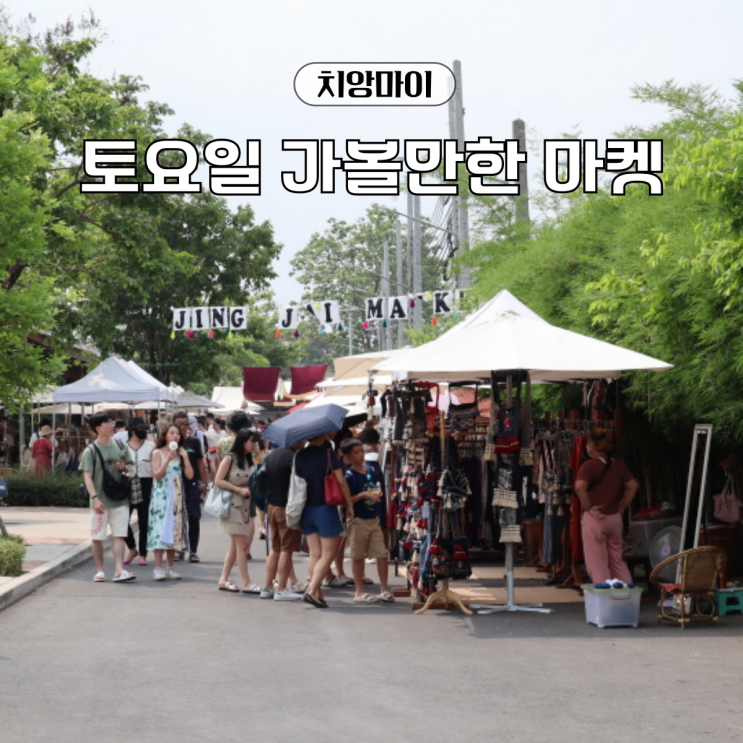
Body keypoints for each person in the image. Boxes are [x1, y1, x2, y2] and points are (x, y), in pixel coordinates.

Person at [295, 431, 354, 608]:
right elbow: (341, 481)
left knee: (315, 554)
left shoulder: (299, 455)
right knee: (328, 554)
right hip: (325, 508)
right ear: (321, 434)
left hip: (305, 508)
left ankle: (318, 595)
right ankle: (312, 590)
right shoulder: (328, 454)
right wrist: (349, 504)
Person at [574, 428, 639, 585]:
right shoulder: (619, 465)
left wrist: (589, 507)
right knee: (617, 559)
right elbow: (633, 486)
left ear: (591, 444)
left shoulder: (588, 466)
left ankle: (604, 593)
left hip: (595, 518)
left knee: (597, 560)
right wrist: (621, 507)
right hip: (614, 518)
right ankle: (626, 590)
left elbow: (580, 487)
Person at [80, 413, 135, 583]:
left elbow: (132, 469)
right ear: (98, 428)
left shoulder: (121, 445)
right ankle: (100, 570)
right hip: (100, 501)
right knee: (97, 537)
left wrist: (124, 467)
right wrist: (95, 498)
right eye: (108, 423)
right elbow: (87, 476)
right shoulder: (90, 451)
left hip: (120, 499)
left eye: (112, 422)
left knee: (119, 535)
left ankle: (119, 570)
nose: (113, 425)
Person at [342, 438, 394, 603]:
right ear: (348, 456)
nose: (360, 455)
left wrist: (377, 493)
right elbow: (345, 501)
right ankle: (359, 592)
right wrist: (363, 494)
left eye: (361, 451)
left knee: (382, 554)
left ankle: (384, 589)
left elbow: (376, 488)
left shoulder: (370, 470)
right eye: (356, 452)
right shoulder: (349, 476)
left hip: (374, 519)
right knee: (358, 556)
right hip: (358, 520)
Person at [214, 428, 261, 594]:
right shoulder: (230, 458)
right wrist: (238, 489)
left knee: (235, 545)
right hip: (232, 505)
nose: (255, 445)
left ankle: (223, 579)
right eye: (252, 441)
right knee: (242, 545)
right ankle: (246, 582)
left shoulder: (248, 460)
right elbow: (218, 480)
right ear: (243, 441)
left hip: (245, 506)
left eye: (256, 442)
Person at [261, 442, 306, 601]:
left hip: (272, 506)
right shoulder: (293, 457)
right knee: (287, 550)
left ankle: (267, 587)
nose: (305, 442)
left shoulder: (273, 455)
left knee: (275, 549)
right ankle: (281, 589)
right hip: (287, 508)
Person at [147, 424, 193, 580]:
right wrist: (167, 459)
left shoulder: (181, 453)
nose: (175, 436)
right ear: (165, 435)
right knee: (160, 529)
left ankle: (170, 567)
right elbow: (157, 475)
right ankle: (158, 568)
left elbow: (190, 476)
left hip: (176, 496)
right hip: (161, 496)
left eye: (178, 433)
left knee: (174, 529)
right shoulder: (157, 452)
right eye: (172, 433)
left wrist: (185, 457)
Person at [173, 412, 209, 563]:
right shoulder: (169, 442)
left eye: (185, 423)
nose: (182, 427)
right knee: (177, 518)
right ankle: (179, 549)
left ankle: (193, 551)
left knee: (194, 516)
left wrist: (204, 484)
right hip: (174, 485)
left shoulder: (194, 441)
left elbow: (201, 463)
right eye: (179, 424)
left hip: (192, 483)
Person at [123, 417, 155, 567]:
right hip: (127, 483)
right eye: (140, 429)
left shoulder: (151, 446)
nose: (143, 432)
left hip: (146, 483)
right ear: (132, 431)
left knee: (144, 521)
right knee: (123, 519)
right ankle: (132, 548)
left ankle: (143, 554)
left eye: (145, 429)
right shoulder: (122, 447)